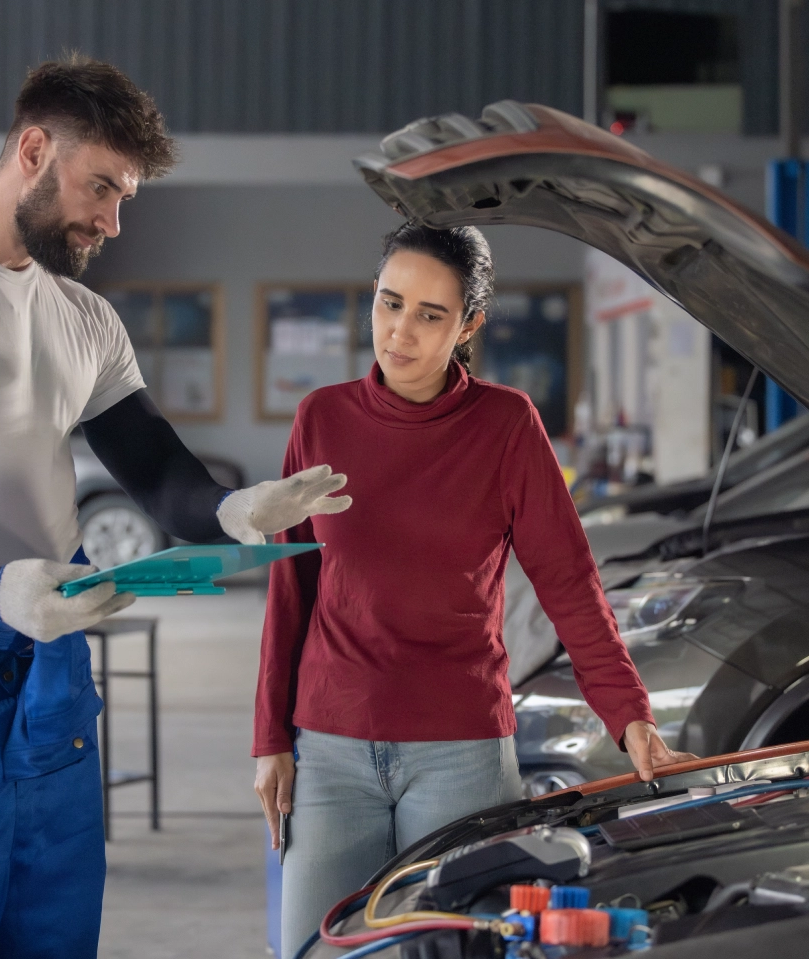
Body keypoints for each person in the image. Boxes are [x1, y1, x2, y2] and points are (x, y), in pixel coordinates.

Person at [0, 56, 351, 959]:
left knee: (52, 936)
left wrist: (236, 510)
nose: (112, 219)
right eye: (101, 187)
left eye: (124, 196)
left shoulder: (85, 318)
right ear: (32, 150)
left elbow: (158, 473)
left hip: (48, 669)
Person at [252, 222, 695, 958]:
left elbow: (569, 581)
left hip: (460, 751)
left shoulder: (506, 425)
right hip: (331, 745)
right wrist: (271, 736)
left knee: (456, 952)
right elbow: (290, 584)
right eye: (390, 303)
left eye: (431, 314)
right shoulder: (321, 419)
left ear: (469, 326)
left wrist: (630, 716)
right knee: (312, 949)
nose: (401, 331)